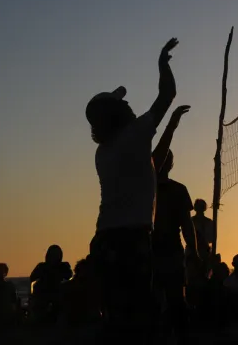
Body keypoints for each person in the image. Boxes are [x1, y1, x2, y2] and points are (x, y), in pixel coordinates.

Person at [86, 37, 179, 341]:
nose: (127, 102)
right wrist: (162, 64)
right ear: (116, 113)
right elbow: (168, 93)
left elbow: (152, 163)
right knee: (139, 316)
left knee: (117, 316)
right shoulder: (135, 133)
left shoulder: (104, 152)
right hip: (131, 238)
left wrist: (172, 127)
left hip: (106, 239)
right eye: (121, 102)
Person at [152, 145, 198, 339]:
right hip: (161, 249)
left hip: (155, 249)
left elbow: (187, 225)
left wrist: (193, 251)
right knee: (173, 300)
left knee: (167, 300)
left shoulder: (146, 188)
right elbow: (186, 225)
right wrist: (193, 252)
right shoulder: (176, 190)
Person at [29, 244, 73, 323]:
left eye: (56, 255)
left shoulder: (63, 266)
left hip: (56, 294)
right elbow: (32, 277)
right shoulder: (42, 266)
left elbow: (69, 276)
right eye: (53, 255)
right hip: (44, 294)